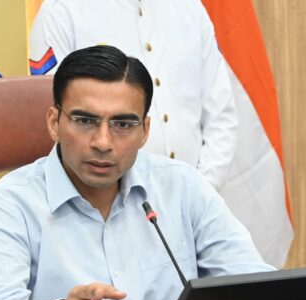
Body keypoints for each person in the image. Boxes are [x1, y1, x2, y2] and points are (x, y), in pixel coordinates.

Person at [0, 45, 274, 300]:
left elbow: (255, 289)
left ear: (145, 131)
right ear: (54, 122)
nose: (103, 142)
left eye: (123, 124)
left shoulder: (183, 187)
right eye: (85, 120)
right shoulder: (9, 204)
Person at [28, 0, 237, 191]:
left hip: (194, 196)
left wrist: (199, 193)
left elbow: (221, 117)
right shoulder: (61, 11)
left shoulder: (189, 8)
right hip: (103, 205)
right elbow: (61, 121)